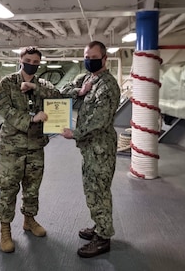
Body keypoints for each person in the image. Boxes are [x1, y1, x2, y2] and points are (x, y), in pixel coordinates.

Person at [0, 46, 61, 253]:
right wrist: (31, 118)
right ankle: (5, 230)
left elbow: (58, 97)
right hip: (12, 146)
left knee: (32, 187)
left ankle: (29, 220)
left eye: (35, 61)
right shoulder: (6, 83)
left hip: (35, 145)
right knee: (8, 188)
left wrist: (34, 88)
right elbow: (5, 110)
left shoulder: (43, 84)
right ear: (21, 59)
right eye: (28, 60)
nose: (32, 64)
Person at [60, 41, 120, 258]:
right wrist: (80, 90)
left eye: (94, 57)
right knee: (92, 189)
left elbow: (99, 121)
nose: (89, 60)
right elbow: (62, 92)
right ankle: (99, 225)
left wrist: (74, 133)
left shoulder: (108, 85)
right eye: (86, 56)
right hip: (90, 148)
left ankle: (104, 238)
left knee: (99, 191)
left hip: (100, 148)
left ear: (104, 59)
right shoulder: (87, 78)